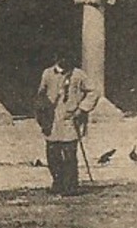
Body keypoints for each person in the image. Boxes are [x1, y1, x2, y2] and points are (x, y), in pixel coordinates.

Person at [35, 47, 99, 195]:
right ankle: (58, 183)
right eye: (62, 57)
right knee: (52, 154)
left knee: (70, 154)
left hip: (70, 119)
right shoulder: (48, 74)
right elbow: (41, 94)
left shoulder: (78, 75)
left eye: (68, 58)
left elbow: (94, 92)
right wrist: (43, 112)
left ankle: (71, 185)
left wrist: (82, 109)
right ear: (57, 57)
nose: (65, 61)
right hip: (52, 121)